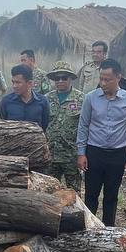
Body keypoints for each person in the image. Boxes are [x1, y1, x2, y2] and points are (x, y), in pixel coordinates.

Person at [77, 58, 126, 226]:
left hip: (117, 156)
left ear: (118, 77)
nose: (103, 83)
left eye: (107, 79)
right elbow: (83, 126)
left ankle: (108, 232)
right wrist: (81, 153)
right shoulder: (90, 98)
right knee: (91, 196)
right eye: (101, 78)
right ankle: (89, 230)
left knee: (111, 197)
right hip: (94, 153)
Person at [44, 61, 84, 189]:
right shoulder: (46, 99)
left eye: (64, 78)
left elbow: (85, 126)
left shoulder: (81, 99)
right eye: (57, 78)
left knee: (74, 192)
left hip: (71, 155)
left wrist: (82, 153)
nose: (60, 81)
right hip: (51, 155)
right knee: (49, 191)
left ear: (70, 78)